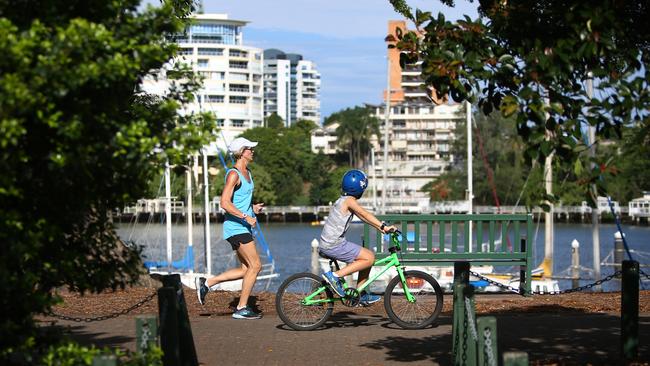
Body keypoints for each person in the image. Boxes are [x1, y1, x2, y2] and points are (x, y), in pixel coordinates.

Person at [195, 137, 265, 320]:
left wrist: (253, 208)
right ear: (241, 152)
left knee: (245, 270)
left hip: (242, 226)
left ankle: (207, 283)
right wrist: (245, 216)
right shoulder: (234, 174)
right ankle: (241, 308)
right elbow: (224, 203)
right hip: (235, 227)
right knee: (256, 265)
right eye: (249, 149)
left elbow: (240, 202)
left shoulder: (247, 172)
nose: (252, 151)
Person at [319, 169, 397, 306]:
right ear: (359, 189)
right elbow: (364, 213)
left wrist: (380, 228)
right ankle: (335, 276)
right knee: (369, 257)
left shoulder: (344, 200)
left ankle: (360, 293)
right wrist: (383, 226)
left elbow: (362, 217)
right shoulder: (349, 201)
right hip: (333, 244)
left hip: (331, 243)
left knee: (367, 256)